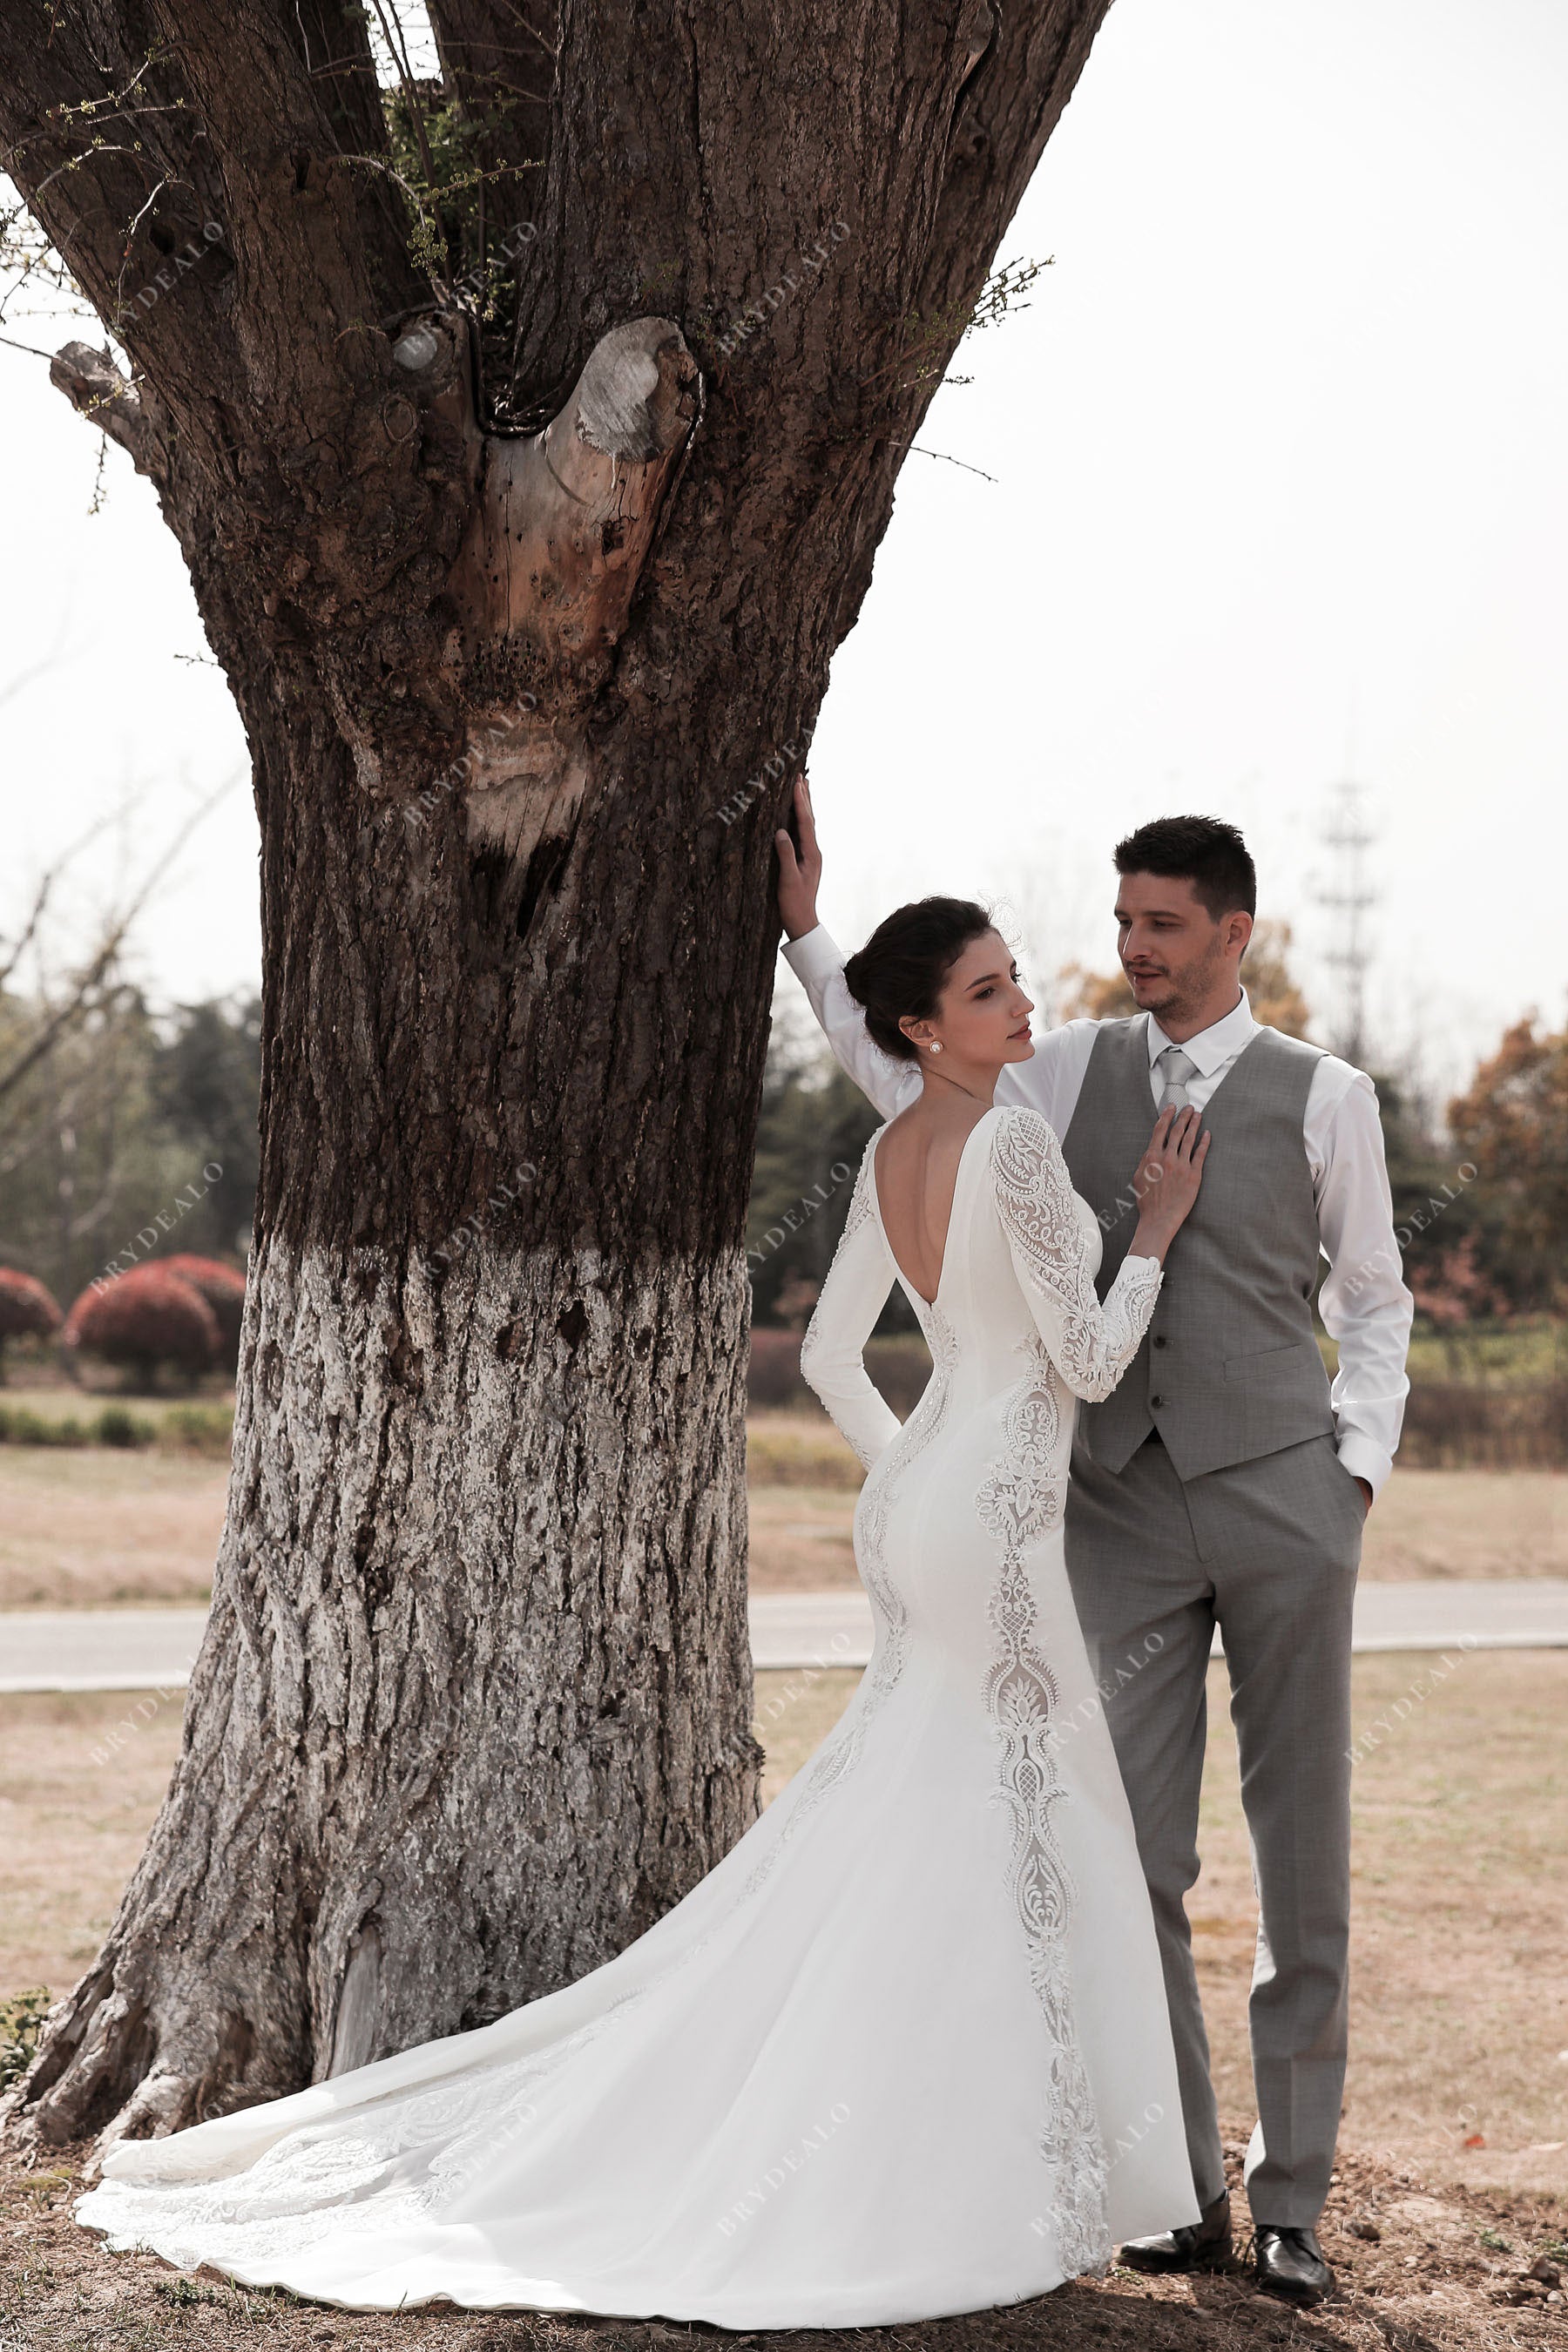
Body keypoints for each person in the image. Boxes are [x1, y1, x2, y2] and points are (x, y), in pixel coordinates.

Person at [777, 784, 1414, 2310]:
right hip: (1114, 1514)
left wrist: (1354, 1478)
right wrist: (809, 937)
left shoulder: (1328, 1095)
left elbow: (1377, 1304)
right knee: (1130, 1856)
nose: (1129, 945)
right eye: (1121, 920)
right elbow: (907, 1083)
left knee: (1301, 1858)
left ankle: (1295, 2199)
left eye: (1160, 924)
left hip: (1282, 1502)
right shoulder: (1055, 1072)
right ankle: (1180, 2184)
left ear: (1233, 934)